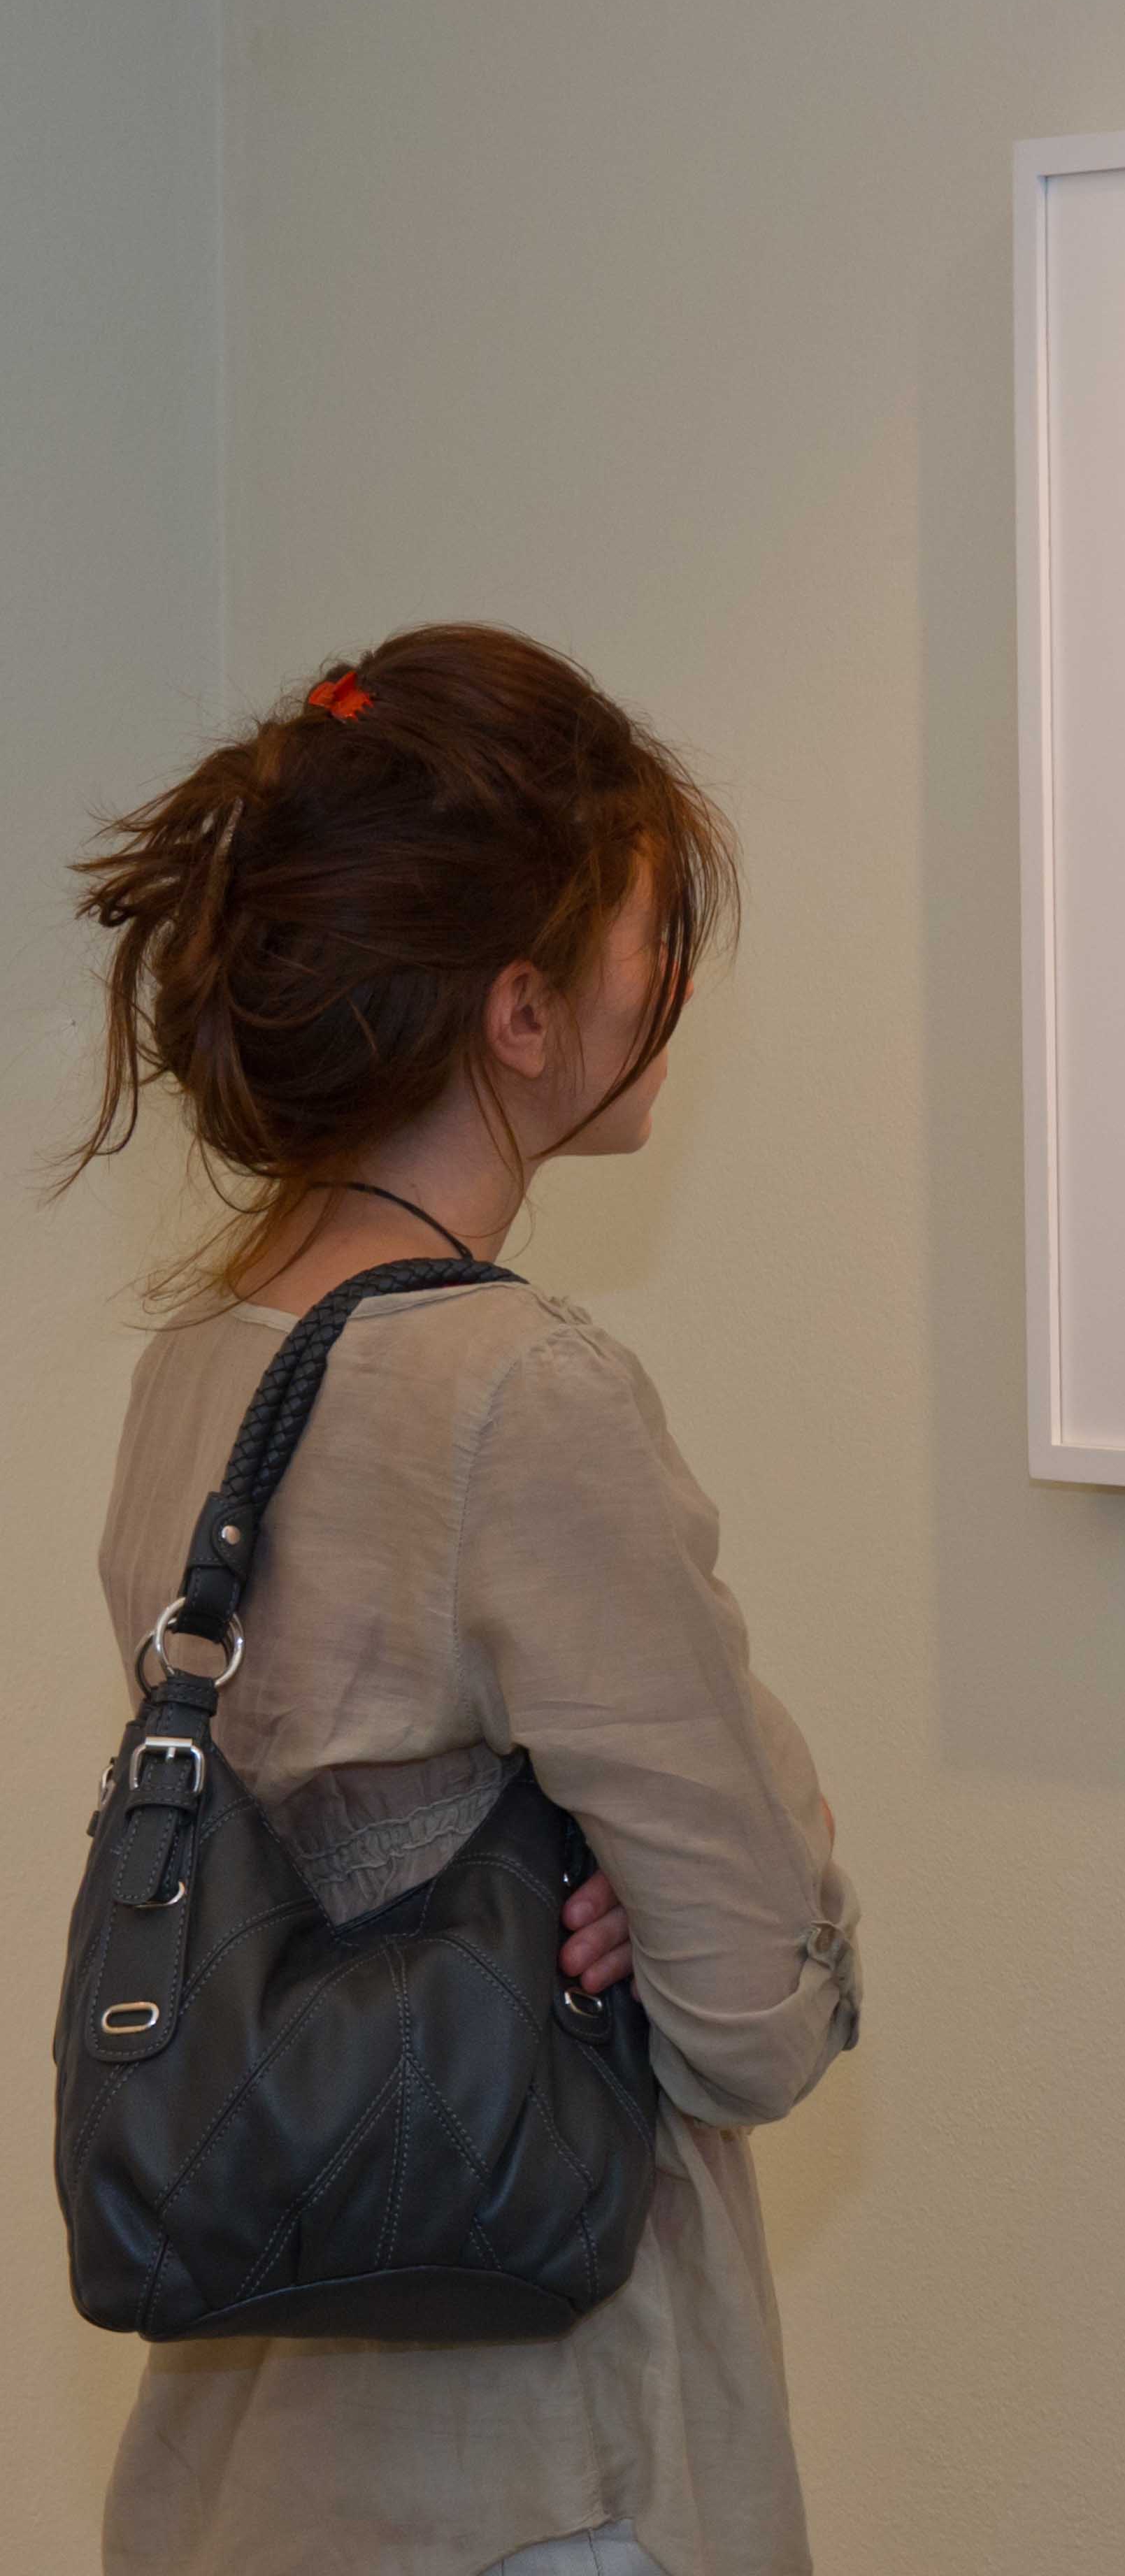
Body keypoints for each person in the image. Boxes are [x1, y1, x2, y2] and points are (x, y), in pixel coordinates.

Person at [64, 626, 859, 2575]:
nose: (678, 991)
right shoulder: (521, 1395)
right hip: (539, 2478)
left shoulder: (197, 1371)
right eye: (651, 939)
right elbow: (753, 2010)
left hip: (245, 2480)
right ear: (518, 1011)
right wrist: (632, 1891)